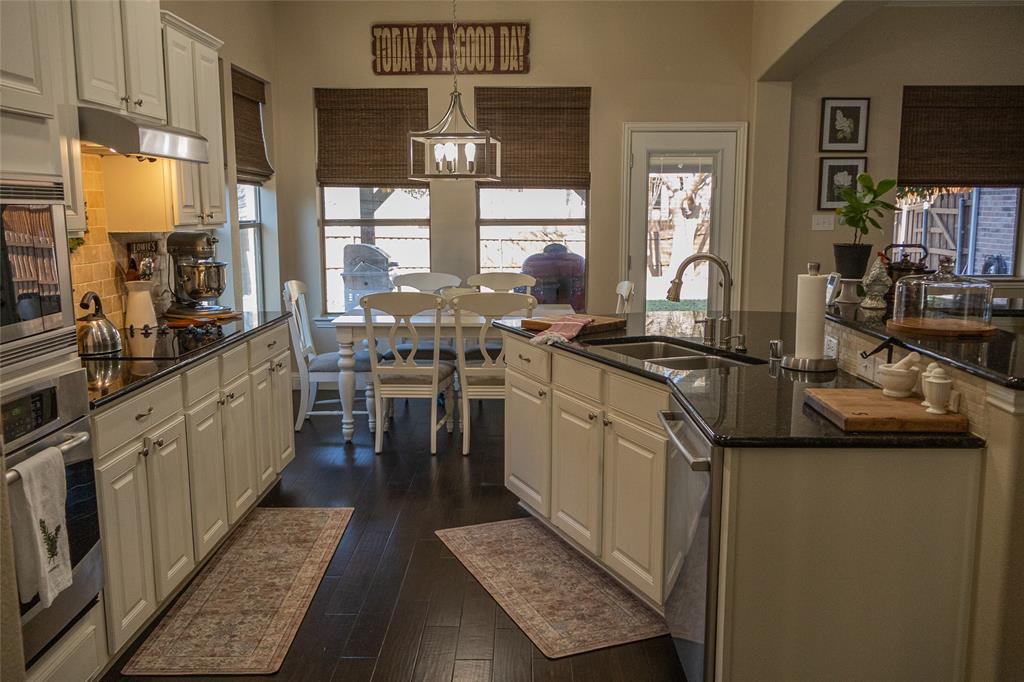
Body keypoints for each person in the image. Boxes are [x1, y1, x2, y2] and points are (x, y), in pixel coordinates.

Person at [521, 243, 585, 311]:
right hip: (574, 307)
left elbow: (523, 284)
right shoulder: (577, 259)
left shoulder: (532, 260)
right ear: (565, 251)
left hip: (538, 307)